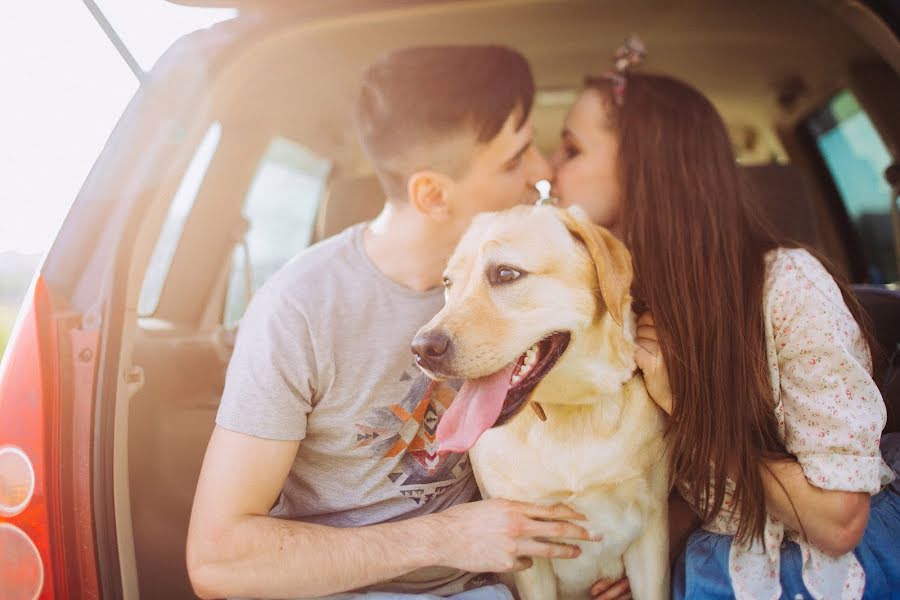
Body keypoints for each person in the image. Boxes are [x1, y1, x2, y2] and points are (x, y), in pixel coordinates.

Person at [185, 45, 600, 600]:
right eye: (513, 160)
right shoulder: (299, 309)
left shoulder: (539, 278)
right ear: (432, 194)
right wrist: (443, 538)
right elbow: (218, 562)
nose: (543, 172)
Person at [551, 46, 900, 600]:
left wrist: (688, 406)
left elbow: (838, 522)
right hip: (718, 548)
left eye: (571, 149)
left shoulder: (788, 288)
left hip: (824, 552)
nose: (550, 171)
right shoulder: (626, 302)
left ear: (647, 164)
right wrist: (646, 552)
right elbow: (706, 487)